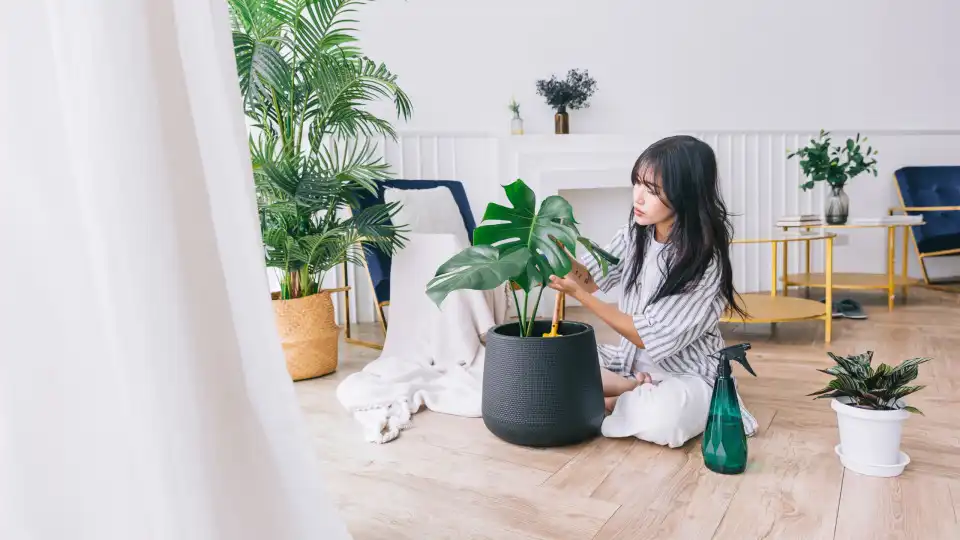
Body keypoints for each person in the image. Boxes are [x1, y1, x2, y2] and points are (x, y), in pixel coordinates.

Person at [548, 135, 757, 448]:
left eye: (653, 190)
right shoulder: (636, 233)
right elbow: (590, 280)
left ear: (686, 194)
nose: (638, 198)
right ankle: (627, 390)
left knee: (666, 421)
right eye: (637, 183)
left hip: (687, 376)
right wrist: (561, 257)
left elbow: (644, 335)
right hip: (629, 365)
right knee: (548, 360)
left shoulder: (702, 260)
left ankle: (613, 400)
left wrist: (581, 298)